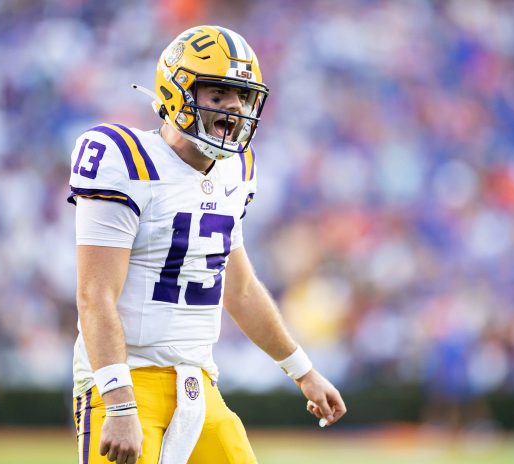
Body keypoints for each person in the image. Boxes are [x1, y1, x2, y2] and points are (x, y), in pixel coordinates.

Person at [68, 25, 346, 464]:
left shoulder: (235, 170)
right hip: (125, 381)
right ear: (177, 92)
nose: (234, 108)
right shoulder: (124, 159)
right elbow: (94, 294)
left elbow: (240, 290)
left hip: (198, 385)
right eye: (218, 94)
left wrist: (303, 372)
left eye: (241, 96)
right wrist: (119, 403)